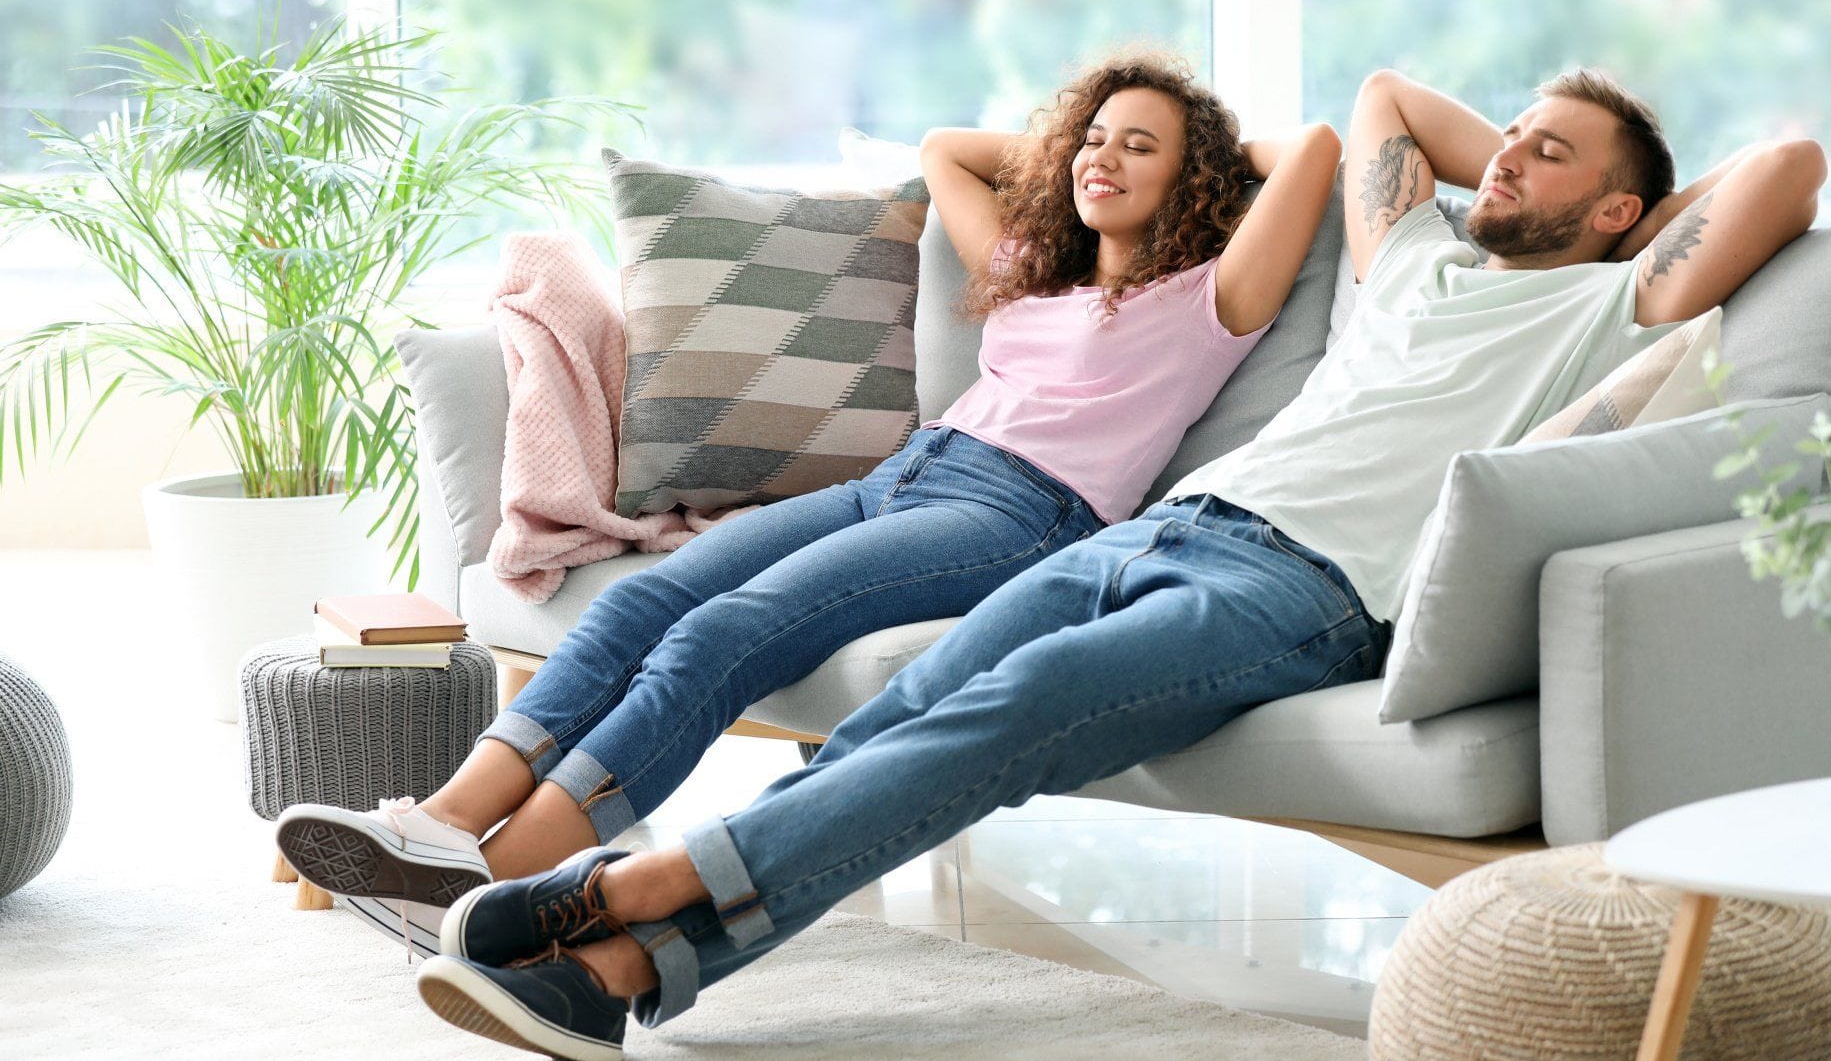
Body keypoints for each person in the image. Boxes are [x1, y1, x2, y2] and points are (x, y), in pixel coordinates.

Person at [406, 65, 1826, 1061]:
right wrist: (1540, 161)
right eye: (1507, 133)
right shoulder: (1416, 261)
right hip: (1167, 523)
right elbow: (1387, 94)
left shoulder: (1614, 304)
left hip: (1299, 593)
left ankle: (650, 890)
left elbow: (1788, 171)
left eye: (1549, 152)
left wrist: (1629, 198)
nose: (1505, 155)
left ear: (1628, 216)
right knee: (914, 710)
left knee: (1009, 715)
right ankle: (610, 981)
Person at [274, 52, 1344, 956]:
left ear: (1192, 180)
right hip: (908, 474)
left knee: (726, 633)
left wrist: (1210, 150)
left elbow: (1315, 153)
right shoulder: (1033, 273)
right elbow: (944, 149)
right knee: (647, 599)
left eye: (1138, 146)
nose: (1101, 155)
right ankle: (446, 824)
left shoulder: (1208, 301)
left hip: (1024, 514)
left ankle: (500, 878)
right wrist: (1091, 153)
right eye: (1094, 136)